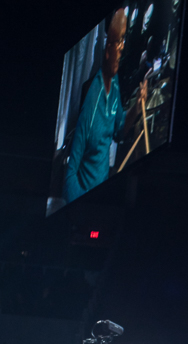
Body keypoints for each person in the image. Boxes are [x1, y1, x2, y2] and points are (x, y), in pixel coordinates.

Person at [63, 8, 148, 203]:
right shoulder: (92, 104)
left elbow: (119, 130)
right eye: (117, 41)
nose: (121, 47)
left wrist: (137, 106)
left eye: (123, 40)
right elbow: (70, 174)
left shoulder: (115, 81)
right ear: (106, 49)